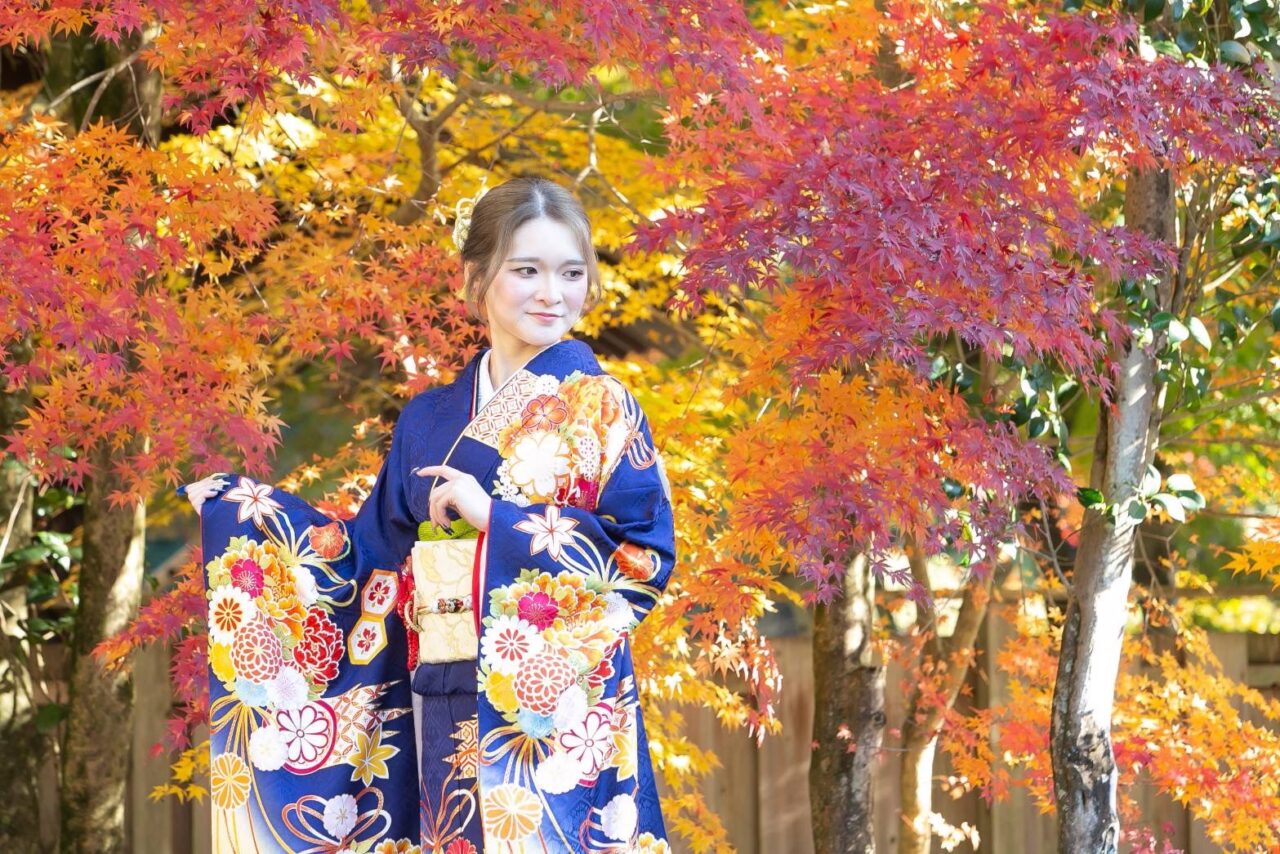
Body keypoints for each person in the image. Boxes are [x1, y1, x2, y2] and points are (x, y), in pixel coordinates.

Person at [183, 175, 676, 853]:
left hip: (559, 709)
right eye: (526, 270)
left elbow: (643, 559)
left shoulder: (606, 408)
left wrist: (497, 519)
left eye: (570, 273)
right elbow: (366, 560)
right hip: (441, 696)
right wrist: (245, 512)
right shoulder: (427, 419)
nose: (551, 293)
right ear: (477, 277)